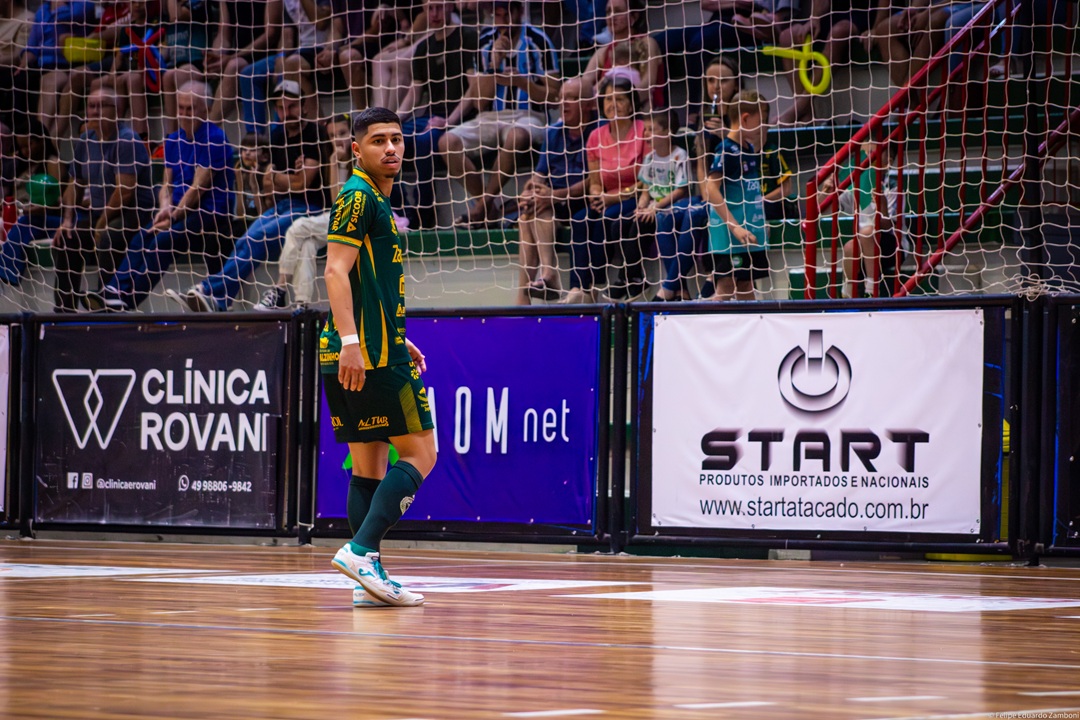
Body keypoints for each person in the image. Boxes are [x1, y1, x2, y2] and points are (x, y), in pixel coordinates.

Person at [324, 107, 436, 608]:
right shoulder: (358, 196)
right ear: (356, 149)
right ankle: (360, 551)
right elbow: (335, 271)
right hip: (365, 353)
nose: (390, 148)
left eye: (396, 139)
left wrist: (393, 334)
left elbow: (364, 281)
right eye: (377, 141)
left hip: (364, 345)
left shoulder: (373, 198)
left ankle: (366, 579)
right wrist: (354, 341)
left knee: (368, 466)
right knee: (422, 453)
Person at [166, 80, 330, 312]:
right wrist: (284, 179)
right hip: (283, 205)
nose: (286, 112)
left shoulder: (315, 132)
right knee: (245, 238)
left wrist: (279, 178)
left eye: (292, 106)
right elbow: (269, 184)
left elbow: (301, 183)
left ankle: (208, 289)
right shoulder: (276, 135)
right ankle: (220, 300)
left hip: (311, 209)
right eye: (281, 108)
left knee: (257, 237)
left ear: (304, 106)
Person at [96, 81, 234, 310]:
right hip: (178, 211)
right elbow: (166, 185)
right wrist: (164, 209)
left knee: (162, 241)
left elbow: (198, 188)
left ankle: (127, 302)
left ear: (206, 110)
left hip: (210, 212)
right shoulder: (172, 140)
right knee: (143, 236)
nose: (184, 114)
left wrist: (173, 217)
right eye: (181, 108)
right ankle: (115, 289)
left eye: (191, 108)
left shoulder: (214, 138)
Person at [438, 0, 561, 227]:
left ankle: (481, 207)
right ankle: (489, 208)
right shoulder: (485, 41)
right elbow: (480, 101)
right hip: (490, 117)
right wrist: (493, 64)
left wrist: (522, 83)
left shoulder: (538, 40)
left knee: (516, 136)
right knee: (447, 142)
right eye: (498, 15)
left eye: (507, 14)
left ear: (520, 11)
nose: (503, 21)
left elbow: (554, 97)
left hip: (529, 115)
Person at [53, 87, 155, 312]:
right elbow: (75, 183)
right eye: (91, 106)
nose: (95, 111)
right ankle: (63, 311)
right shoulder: (85, 140)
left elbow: (125, 192)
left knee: (109, 237)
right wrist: (67, 220)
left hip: (134, 212)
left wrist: (100, 224)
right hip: (100, 211)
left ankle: (106, 303)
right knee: (66, 238)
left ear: (116, 110)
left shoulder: (127, 140)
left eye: (102, 106)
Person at [394, 0, 481, 230]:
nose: (435, 13)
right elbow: (415, 91)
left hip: (461, 116)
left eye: (440, 7)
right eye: (430, 8)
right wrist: (394, 119)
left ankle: (424, 213)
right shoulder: (424, 47)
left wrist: (450, 120)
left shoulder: (467, 36)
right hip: (432, 114)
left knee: (424, 140)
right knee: (387, 139)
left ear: (450, 6)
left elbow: (474, 88)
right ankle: (398, 209)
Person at [254, 113, 355, 309]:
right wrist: (333, 163)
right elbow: (335, 202)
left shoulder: (361, 161)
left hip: (356, 221)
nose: (337, 139)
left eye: (342, 133)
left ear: (352, 134)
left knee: (298, 227)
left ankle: (279, 289)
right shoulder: (332, 160)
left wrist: (335, 163)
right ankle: (302, 304)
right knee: (307, 245)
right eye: (332, 135)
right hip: (338, 219)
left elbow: (341, 206)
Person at [565, 74, 648, 303]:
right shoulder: (595, 136)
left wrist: (613, 198)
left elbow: (648, 180)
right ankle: (578, 286)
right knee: (580, 219)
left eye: (619, 99)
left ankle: (595, 284)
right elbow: (594, 182)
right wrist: (595, 195)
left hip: (636, 196)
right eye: (608, 99)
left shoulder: (643, 130)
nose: (613, 104)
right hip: (606, 197)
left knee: (609, 216)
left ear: (631, 104)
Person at [514, 77, 593, 305]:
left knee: (536, 210)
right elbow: (539, 173)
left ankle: (526, 296)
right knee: (528, 213)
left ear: (589, 104)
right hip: (553, 200)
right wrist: (530, 192)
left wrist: (553, 196)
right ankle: (545, 277)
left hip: (584, 201)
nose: (564, 104)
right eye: (561, 98)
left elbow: (595, 180)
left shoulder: (598, 132)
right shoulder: (553, 133)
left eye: (572, 98)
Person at [704, 89, 769, 301]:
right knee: (725, 287)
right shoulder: (726, 150)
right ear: (745, 119)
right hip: (729, 236)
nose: (764, 126)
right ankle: (702, 318)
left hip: (749, 233)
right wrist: (735, 227)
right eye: (761, 121)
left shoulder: (748, 147)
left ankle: (752, 323)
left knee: (746, 285)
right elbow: (711, 189)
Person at [818, 138, 902, 298]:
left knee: (867, 232)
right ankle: (848, 293)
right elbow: (823, 209)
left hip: (892, 247)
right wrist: (826, 191)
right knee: (850, 247)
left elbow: (889, 226)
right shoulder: (858, 186)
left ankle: (872, 290)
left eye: (871, 154)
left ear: (888, 162)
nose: (866, 158)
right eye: (864, 154)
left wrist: (881, 204)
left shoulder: (893, 186)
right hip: (865, 246)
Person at [0, 117, 65, 286]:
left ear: (42, 140)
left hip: (48, 217)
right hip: (21, 214)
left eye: (29, 145)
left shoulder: (52, 163)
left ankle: (7, 271)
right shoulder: (21, 165)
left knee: (25, 223)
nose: (25, 151)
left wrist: (34, 209)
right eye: (21, 147)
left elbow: (58, 201)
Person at [635, 109, 691, 301]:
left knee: (662, 218)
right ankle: (678, 289)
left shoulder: (679, 155)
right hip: (654, 207)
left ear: (668, 132)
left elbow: (681, 190)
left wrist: (656, 207)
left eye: (652, 129)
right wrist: (641, 206)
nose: (646, 134)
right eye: (645, 129)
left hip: (675, 205)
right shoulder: (649, 158)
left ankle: (674, 288)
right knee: (631, 222)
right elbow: (646, 190)